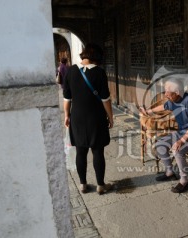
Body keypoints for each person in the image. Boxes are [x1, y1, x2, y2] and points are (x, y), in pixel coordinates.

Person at [63, 43, 114, 195]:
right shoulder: (99, 72)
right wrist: (111, 117)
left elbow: (67, 98)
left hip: (77, 117)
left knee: (81, 151)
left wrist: (66, 115)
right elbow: (105, 99)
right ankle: (100, 185)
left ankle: (83, 184)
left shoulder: (71, 71)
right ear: (97, 58)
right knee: (98, 152)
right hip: (96, 118)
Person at [139, 78, 188, 193]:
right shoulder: (174, 100)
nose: (165, 95)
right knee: (160, 144)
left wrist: (182, 141)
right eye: (165, 91)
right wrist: (148, 112)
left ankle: (184, 181)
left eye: (168, 93)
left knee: (177, 149)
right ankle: (170, 173)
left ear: (177, 92)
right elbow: (164, 106)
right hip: (181, 132)